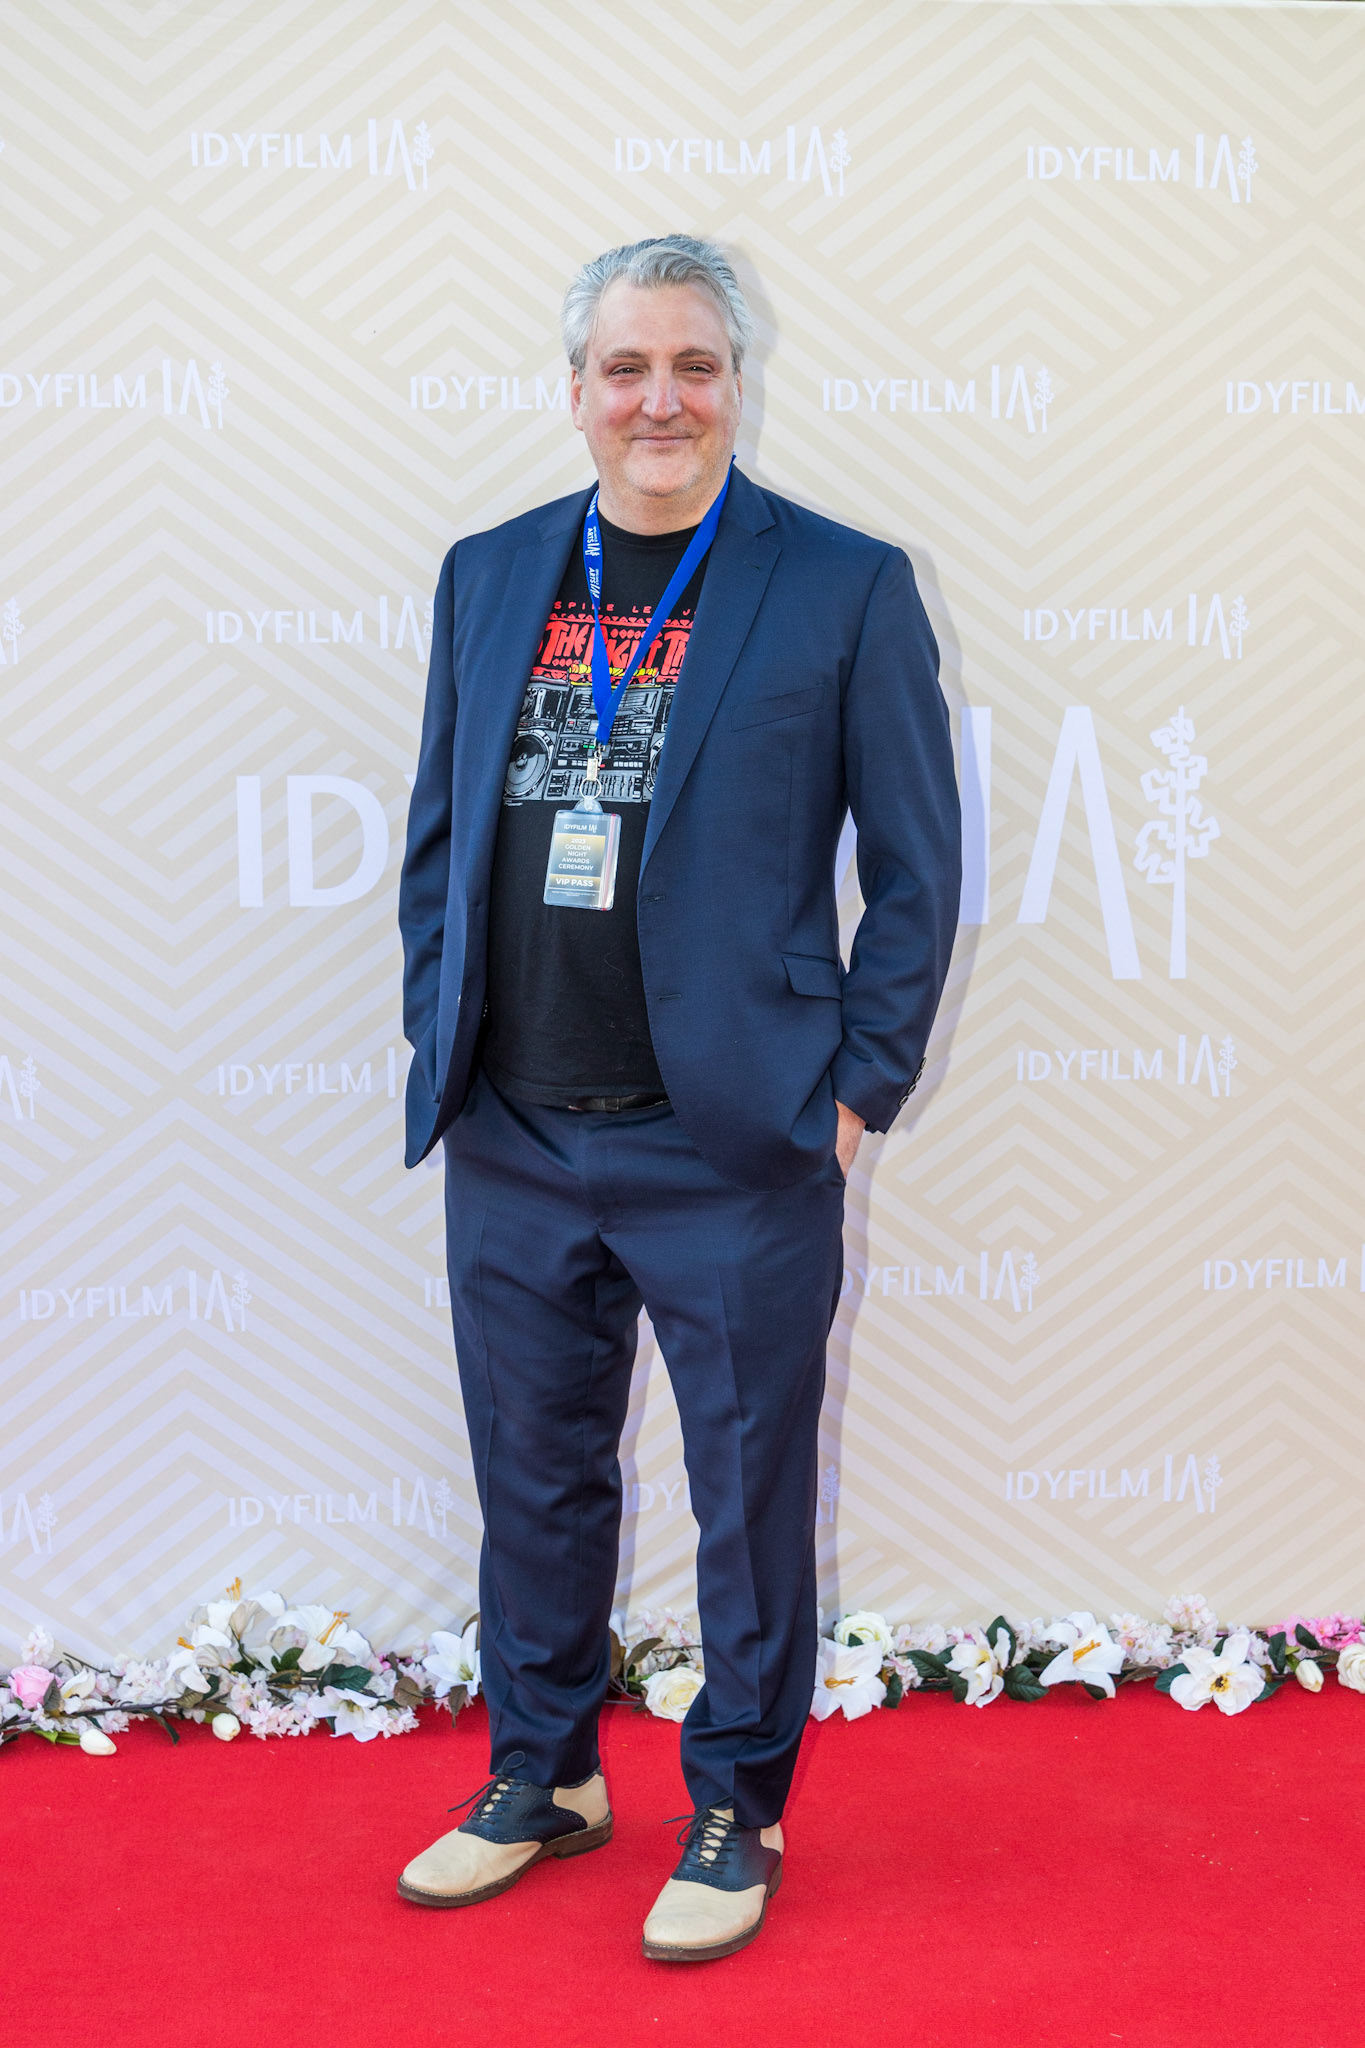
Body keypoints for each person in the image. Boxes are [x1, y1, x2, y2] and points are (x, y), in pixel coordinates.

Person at [396, 234, 960, 1961]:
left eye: (693, 366)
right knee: (533, 1476)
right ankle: (544, 1771)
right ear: (574, 390)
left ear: (736, 385)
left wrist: (852, 1091)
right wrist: (443, 1039)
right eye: (626, 367)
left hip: (732, 1140)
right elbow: (438, 841)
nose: (661, 399)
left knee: (745, 1492)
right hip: (512, 1129)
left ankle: (736, 1803)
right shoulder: (491, 572)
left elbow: (917, 871)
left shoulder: (842, 585)